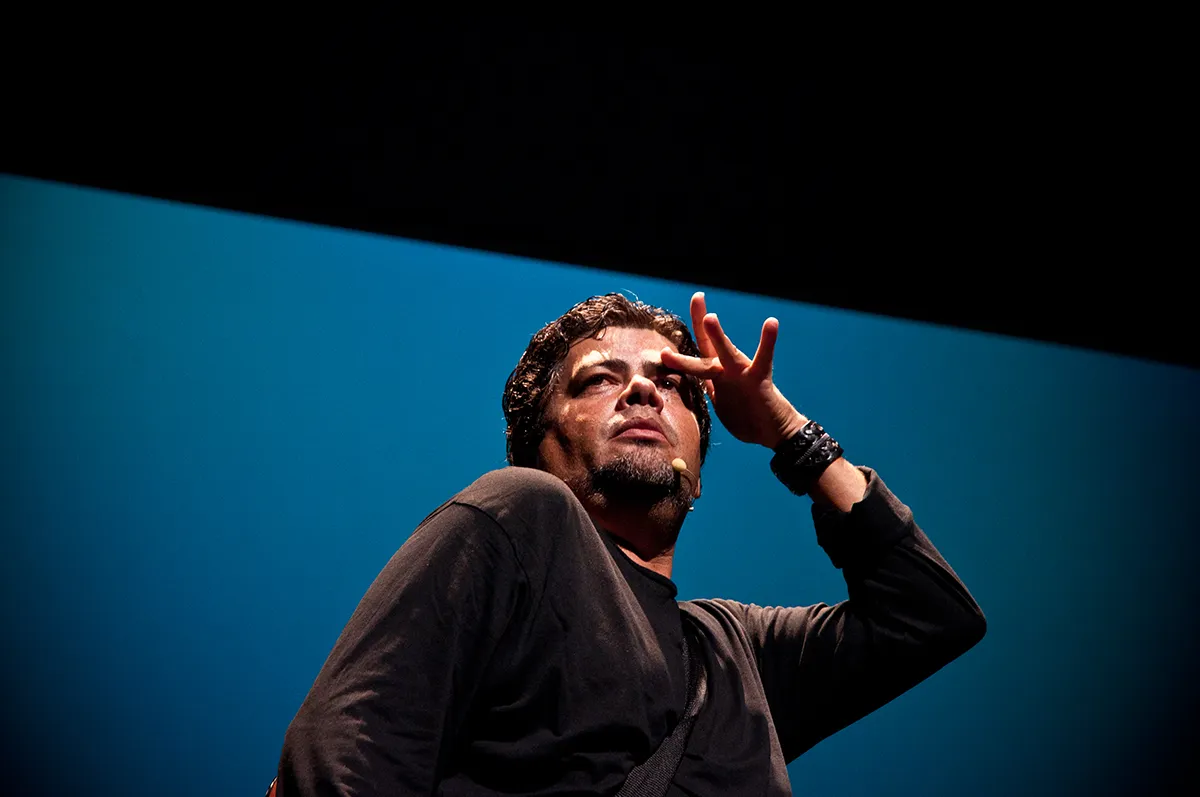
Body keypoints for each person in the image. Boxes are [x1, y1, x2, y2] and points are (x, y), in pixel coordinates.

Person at [274, 291, 986, 795]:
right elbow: (349, 752)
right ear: (537, 446)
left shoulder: (735, 655)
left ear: (697, 466)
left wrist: (789, 434)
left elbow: (931, 616)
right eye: (599, 380)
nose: (643, 392)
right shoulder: (519, 513)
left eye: (671, 384)